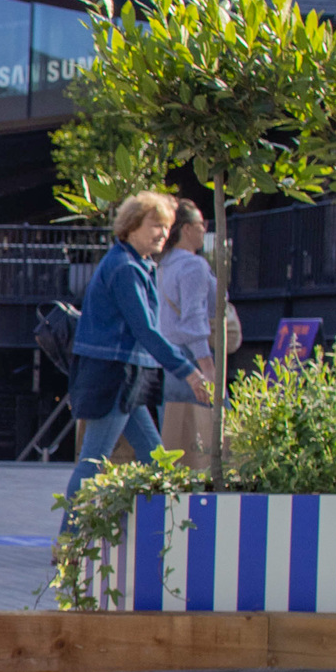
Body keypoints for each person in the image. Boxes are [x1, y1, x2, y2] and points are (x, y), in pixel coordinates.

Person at [63, 194, 217, 508]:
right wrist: (189, 372)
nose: (163, 233)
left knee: (155, 457)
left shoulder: (136, 264)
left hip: (128, 375)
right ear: (132, 227)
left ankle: (174, 528)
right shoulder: (125, 268)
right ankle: (69, 543)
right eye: (156, 225)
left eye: (167, 226)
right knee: (94, 460)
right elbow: (146, 330)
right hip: (115, 375)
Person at [156, 200, 220, 472]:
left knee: (170, 433)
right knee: (202, 435)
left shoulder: (163, 263)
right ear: (185, 229)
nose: (204, 230)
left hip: (165, 357)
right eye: (199, 225)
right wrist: (206, 366)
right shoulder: (194, 266)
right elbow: (193, 318)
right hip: (190, 357)